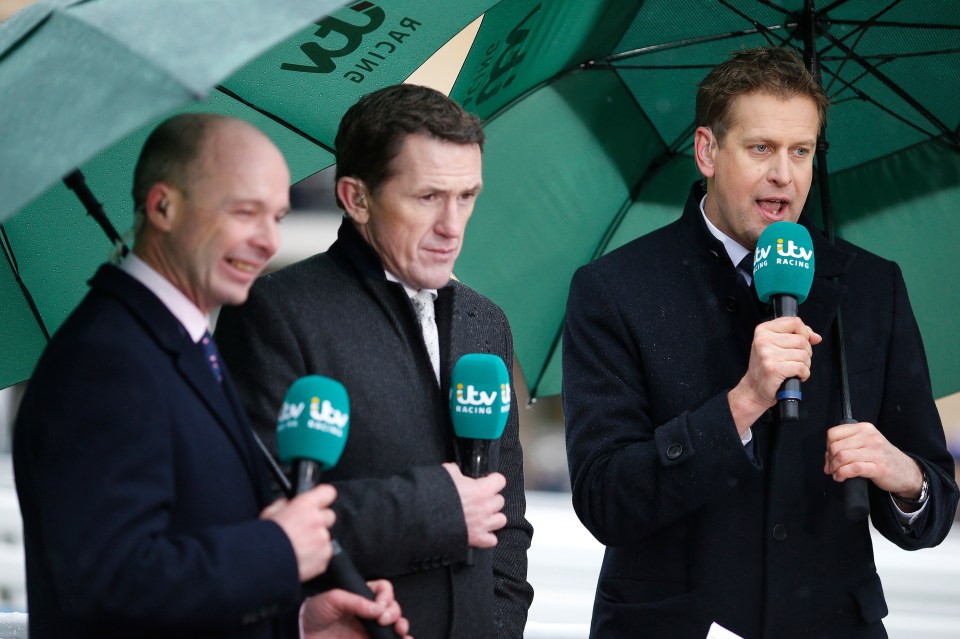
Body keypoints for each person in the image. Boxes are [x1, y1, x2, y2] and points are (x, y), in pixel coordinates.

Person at [562, 47, 959, 639]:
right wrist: (741, 403)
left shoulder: (871, 284)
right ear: (707, 152)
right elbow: (604, 499)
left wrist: (904, 477)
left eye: (801, 151)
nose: (785, 175)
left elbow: (932, 509)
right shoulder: (615, 288)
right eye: (761, 149)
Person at [13, 113, 411, 639]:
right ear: (163, 207)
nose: (268, 241)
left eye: (278, 217)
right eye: (246, 213)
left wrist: (298, 623)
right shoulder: (107, 362)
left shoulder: (182, 343)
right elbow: (106, 583)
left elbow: (192, 543)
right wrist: (279, 550)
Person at [215, 84, 533, 638]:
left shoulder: (488, 322)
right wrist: (432, 508)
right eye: (428, 197)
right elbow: (254, 516)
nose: (452, 226)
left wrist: (500, 628)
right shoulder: (276, 312)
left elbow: (507, 523)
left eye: (467, 196)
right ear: (356, 198)